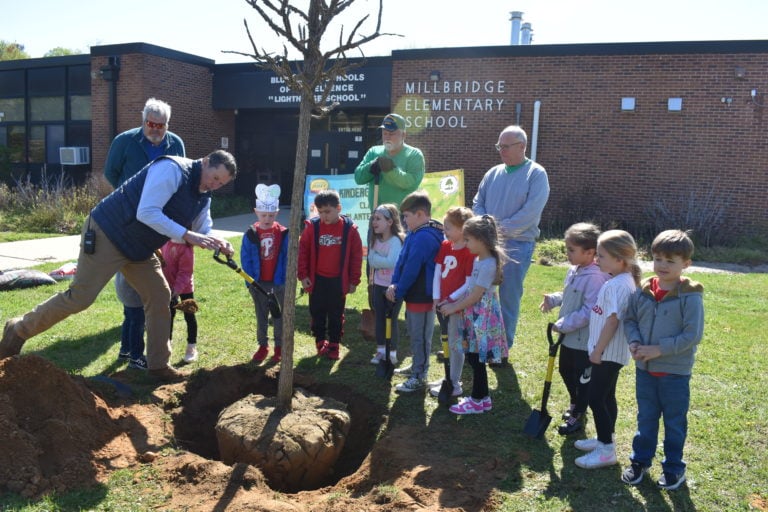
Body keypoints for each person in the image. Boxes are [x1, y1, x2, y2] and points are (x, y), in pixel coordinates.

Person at [0, 150, 238, 382]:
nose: (214, 185)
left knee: (159, 296)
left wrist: (218, 241)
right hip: (108, 233)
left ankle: (158, 366)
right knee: (81, 297)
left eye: (221, 184)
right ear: (206, 162)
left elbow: (202, 228)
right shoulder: (173, 169)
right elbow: (147, 212)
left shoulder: (203, 195)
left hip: (139, 248)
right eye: (214, 178)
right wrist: (188, 235)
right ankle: (18, 329)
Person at [104, 98, 186, 366]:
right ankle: (130, 345)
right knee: (131, 280)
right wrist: (130, 197)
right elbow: (110, 172)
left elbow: (181, 174)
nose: (155, 129)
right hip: (129, 218)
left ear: (167, 125)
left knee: (156, 274)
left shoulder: (175, 143)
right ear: (143, 121)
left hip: (160, 215)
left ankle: (134, 344)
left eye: (160, 125)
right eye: (151, 124)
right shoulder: (124, 141)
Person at [621, 230, 704, 491]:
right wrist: (634, 342)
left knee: (674, 423)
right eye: (657, 259)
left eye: (671, 261)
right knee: (645, 418)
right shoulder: (643, 291)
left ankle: (673, 468)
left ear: (686, 264)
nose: (662, 266)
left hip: (674, 375)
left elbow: (692, 335)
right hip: (645, 371)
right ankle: (640, 461)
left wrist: (659, 349)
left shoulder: (690, 296)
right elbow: (630, 319)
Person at [473, 125, 550, 356]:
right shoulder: (493, 173)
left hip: (517, 245)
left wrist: (494, 230)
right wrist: (484, 228)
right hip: (487, 245)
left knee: (508, 296)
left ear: (522, 147)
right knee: (480, 292)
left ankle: (502, 348)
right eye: (499, 146)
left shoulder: (536, 174)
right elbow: (478, 202)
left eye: (506, 146)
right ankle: (481, 341)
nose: (501, 151)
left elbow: (529, 214)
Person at [574, 230, 641, 469]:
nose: (596, 260)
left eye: (601, 256)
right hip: (611, 354)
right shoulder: (623, 281)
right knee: (606, 396)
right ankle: (606, 439)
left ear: (619, 259)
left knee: (595, 398)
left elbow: (613, 321)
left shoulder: (617, 285)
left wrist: (597, 351)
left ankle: (606, 451)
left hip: (606, 354)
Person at [540, 223, 610, 435]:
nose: (567, 253)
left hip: (584, 339)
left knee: (582, 376)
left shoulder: (596, 277)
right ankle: (575, 402)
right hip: (568, 337)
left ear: (589, 252)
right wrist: (553, 300)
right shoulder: (574, 270)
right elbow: (569, 296)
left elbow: (590, 310)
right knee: (565, 370)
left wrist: (562, 325)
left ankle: (578, 413)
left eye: (571, 250)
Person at [439, 215, 508, 414]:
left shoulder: (487, 264)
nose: (465, 243)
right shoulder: (480, 260)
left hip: (481, 316)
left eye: (468, 239)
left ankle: (477, 400)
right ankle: (483, 398)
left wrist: (454, 308)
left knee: (476, 358)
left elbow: (475, 296)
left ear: (481, 240)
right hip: (474, 314)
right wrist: (452, 300)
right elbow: (470, 287)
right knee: (473, 356)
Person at [385, 191, 443, 393]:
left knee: (421, 336)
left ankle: (420, 374)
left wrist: (398, 289)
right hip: (413, 294)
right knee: (414, 333)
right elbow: (402, 261)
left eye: (407, 216)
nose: (404, 220)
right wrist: (394, 283)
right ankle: (417, 365)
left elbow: (412, 267)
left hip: (423, 295)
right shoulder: (415, 232)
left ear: (420, 214)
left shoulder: (425, 237)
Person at [298, 189, 363, 361]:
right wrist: (303, 275)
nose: (324, 216)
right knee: (317, 312)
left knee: (336, 313)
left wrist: (354, 280)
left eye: (328, 211)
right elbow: (302, 251)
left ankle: (334, 343)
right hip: (317, 279)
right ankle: (320, 341)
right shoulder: (313, 228)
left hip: (338, 281)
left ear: (339, 208)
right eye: (320, 212)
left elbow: (356, 256)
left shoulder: (350, 230)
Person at [429, 206, 475, 399]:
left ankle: (454, 383)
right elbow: (438, 272)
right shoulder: (446, 246)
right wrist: (436, 297)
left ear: (462, 229)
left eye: (448, 227)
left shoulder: (469, 251)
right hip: (442, 304)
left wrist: (451, 299)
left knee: (456, 344)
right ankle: (448, 376)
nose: (444, 231)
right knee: (445, 339)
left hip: (456, 306)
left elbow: (469, 282)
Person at [241, 184, 288, 364]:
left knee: (279, 315)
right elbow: (246, 260)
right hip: (259, 283)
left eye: (271, 215)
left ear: (276, 213)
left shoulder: (283, 234)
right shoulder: (251, 234)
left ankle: (279, 346)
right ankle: (263, 345)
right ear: (256, 212)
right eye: (263, 215)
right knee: (261, 315)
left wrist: (283, 280)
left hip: (278, 282)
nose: (267, 218)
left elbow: (287, 257)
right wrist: (251, 282)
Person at [354, 113, 425, 209]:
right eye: (384, 133)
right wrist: (370, 167)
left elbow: (411, 183)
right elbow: (358, 178)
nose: (387, 137)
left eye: (391, 134)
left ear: (403, 135)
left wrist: (391, 170)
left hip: (404, 218)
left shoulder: (414, 155)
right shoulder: (374, 152)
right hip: (377, 218)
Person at [367, 203, 405, 365]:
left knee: (392, 319)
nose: (374, 222)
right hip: (378, 285)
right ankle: (381, 350)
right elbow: (370, 260)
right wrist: (377, 260)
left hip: (393, 286)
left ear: (390, 222)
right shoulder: (374, 239)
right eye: (373, 219)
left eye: (378, 219)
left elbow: (392, 262)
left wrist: (377, 260)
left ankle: (392, 352)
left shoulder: (396, 241)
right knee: (380, 318)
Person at [160, 238, 198, 364]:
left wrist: (176, 291)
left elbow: (185, 273)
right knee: (168, 316)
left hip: (185, 287)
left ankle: (191, 347)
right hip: (168, 286)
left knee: (189, 316)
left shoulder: (186, 248)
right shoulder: (166, 241)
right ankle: (167, 347)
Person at [115, 272, 147, 370]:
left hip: (123, 289)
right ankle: (136, 358)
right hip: (133, 292)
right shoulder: (137, 256)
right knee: (137, 325)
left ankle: (125, 351)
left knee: (129, 319)